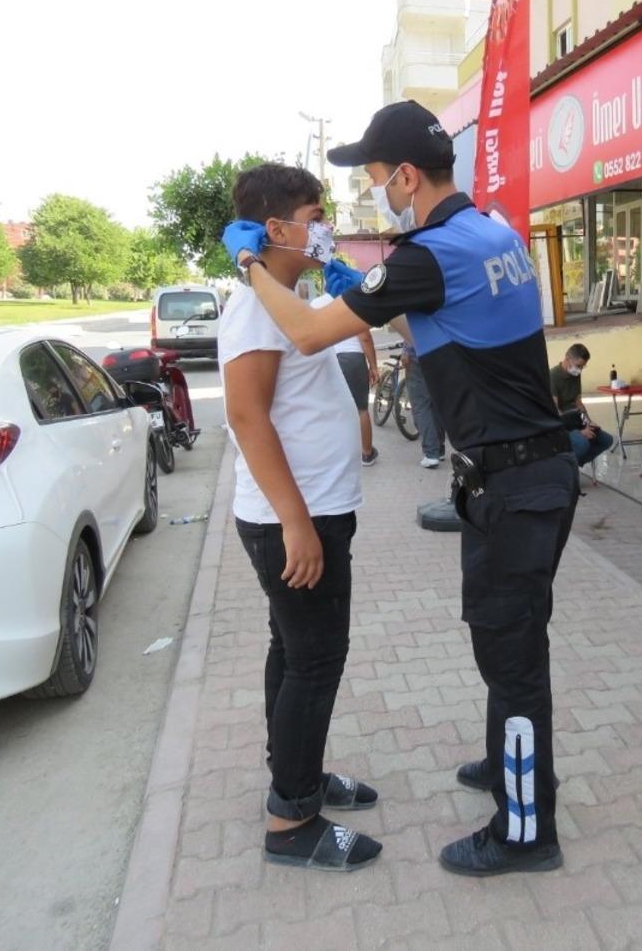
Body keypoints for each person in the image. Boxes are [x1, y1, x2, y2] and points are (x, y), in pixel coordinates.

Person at [222, 100, 578, 877]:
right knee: (509, 643)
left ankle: (526, 828)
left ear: (408, 176)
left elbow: (312, 333)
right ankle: (502, 760)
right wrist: (372, 300)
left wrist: (250, 265)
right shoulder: (494, 233)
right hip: (533, 473)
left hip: (513, 483)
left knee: (513, 658)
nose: (374, 190)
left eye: (377, 176)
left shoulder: (424, 254)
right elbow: (450, 327)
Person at [218, 164, 381, 873]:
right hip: (297, 515)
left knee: (292, 651)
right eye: (317, 216)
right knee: (316, 659)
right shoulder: (257, 306)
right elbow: (247, 416)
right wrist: (295, 521)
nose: (327, 228)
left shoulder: (289, 294)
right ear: (276, 228)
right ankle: (293, 821)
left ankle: (297, 774)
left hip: (315, 506)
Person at [309, 274, 380, 466]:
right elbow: (364, 336)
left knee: (330, 408)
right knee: (361, 408)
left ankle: (335, 454)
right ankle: (366, 453)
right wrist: (373, 366)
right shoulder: (352, 301)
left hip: (327, 358)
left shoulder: (316, 303)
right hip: (352, 358)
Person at [550, 343, 613, 467]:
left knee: (606, 440)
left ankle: (574, 463)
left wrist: (588, 422)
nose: (580, 370)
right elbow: (555, 411)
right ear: (567, 359)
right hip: (561, 427)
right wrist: (579, 432)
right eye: (578, 366)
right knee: (583, 443)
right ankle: (566, 468)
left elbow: (578, 403)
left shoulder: (575, 374)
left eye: (583, 367)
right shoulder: (553, 376)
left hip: (575, 421)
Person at [401, 336, 447, 468]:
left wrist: (405, 351)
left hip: (417, 354)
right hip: (439, 352)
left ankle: (431, 454)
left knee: (421, 406)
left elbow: (408, 322)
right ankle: (439, 449)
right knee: (435, 402)